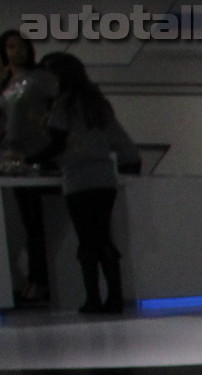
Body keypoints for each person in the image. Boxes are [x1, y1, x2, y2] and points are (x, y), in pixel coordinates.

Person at [26, 54, 137, 314]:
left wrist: (29, 158)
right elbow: (119, 139)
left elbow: (56, 143)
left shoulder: (63, 104)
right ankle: (115, 297)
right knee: (102, 236)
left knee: (87, 240)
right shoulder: (97, 103)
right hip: (103, 177)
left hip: (78, 176)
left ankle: (93, 298)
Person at [1, 30, 59, 306]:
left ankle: (41, 280)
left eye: (21, 46)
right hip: (11, 158)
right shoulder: (5, 82)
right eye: (11, 47)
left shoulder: (40, 79)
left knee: (37, 224)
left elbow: (58, 107)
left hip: (38, 155)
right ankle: (30, 279)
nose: (17, 52)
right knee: (22, 223)